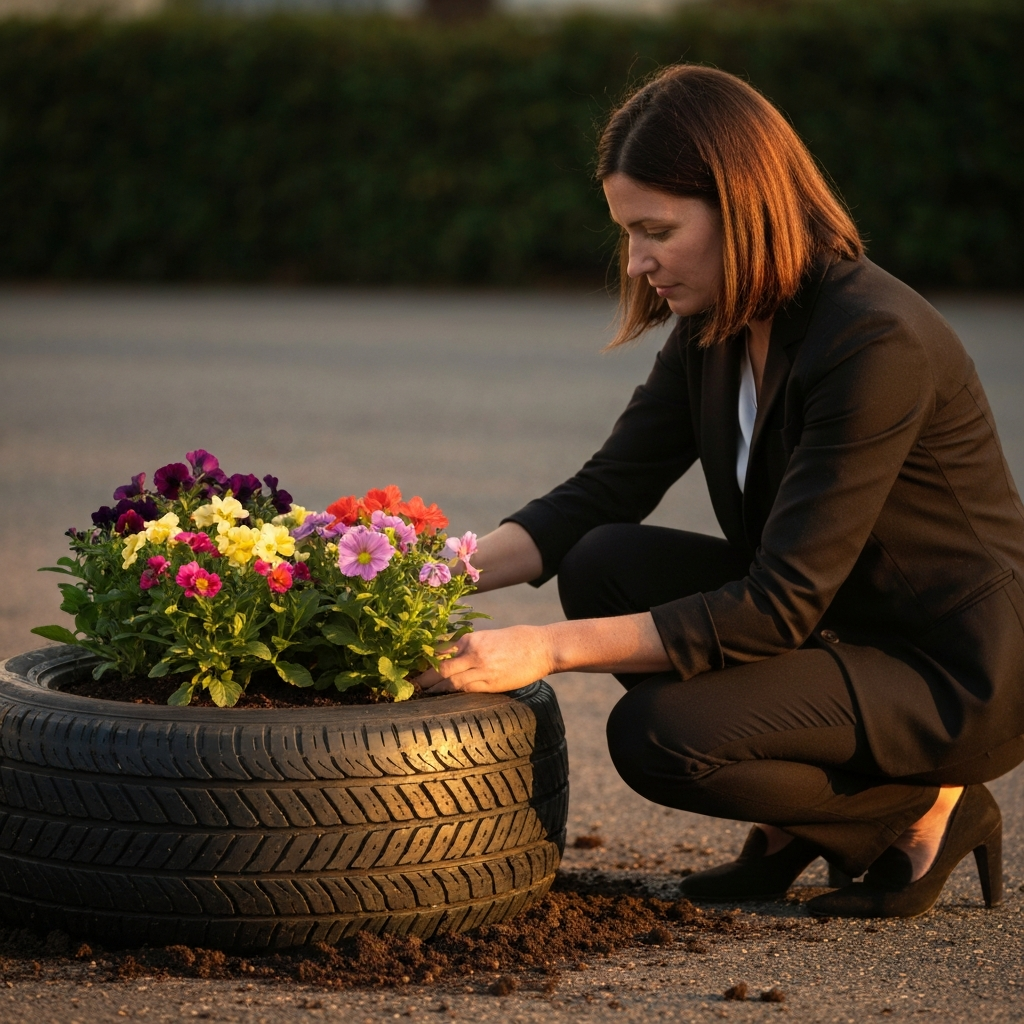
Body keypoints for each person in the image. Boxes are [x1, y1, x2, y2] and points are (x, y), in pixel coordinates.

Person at [414, 64, 1024, 918]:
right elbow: (603, 490)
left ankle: (925, 802)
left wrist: (546, 648)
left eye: (657, 230)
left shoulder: (873, 341)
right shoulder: (718, 323)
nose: (638, 262)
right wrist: (426, 576)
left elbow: (777, 604)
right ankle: (794, 822)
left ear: (742, 205)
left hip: (944, 668)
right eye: (627, 233)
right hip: (834, 626)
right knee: (602, 559)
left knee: (660, 737)